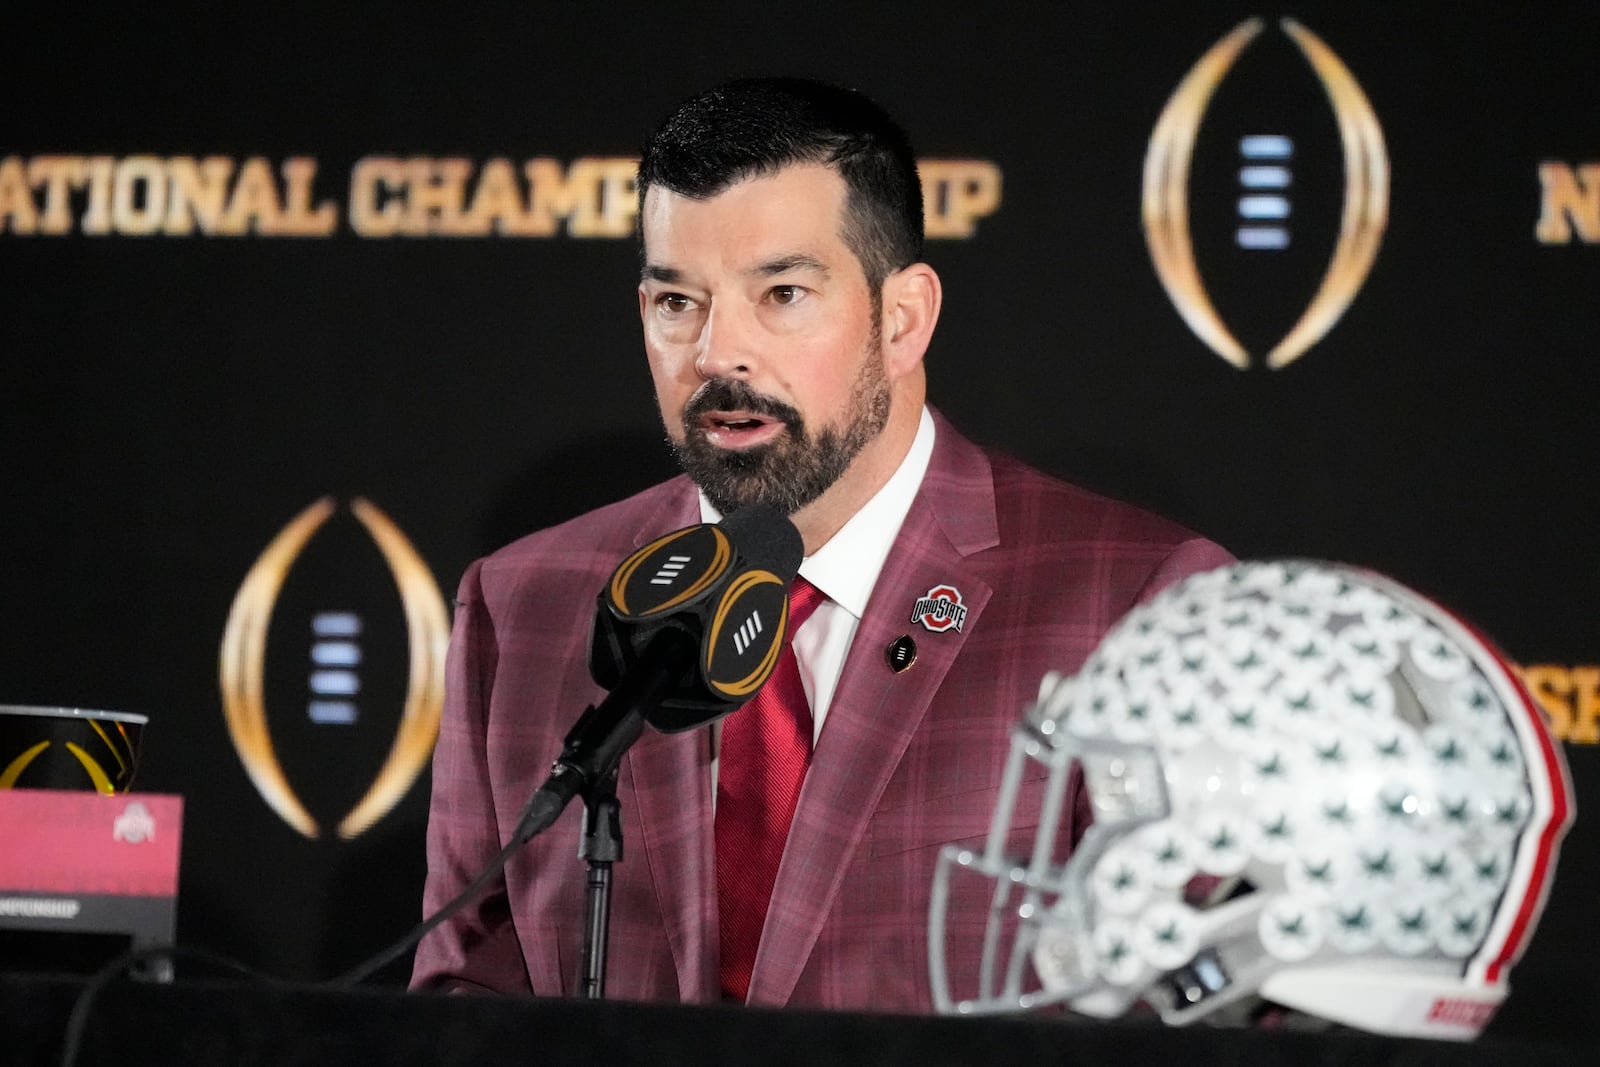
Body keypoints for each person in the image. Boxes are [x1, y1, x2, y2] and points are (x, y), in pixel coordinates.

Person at [410, 76, 1232, 1011]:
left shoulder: (1139, 605)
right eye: (676, 301)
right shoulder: (526, 605)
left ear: (904, 318)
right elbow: (462, 1005)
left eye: (784, 294)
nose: (718, 354)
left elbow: (1206, 1009)